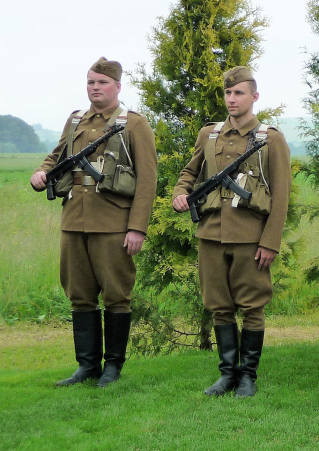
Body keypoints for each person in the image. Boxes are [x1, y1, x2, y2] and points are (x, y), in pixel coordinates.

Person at [31, 57, 157, 388]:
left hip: (114, 222)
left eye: (102, 82)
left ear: (117, 86)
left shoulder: (134, 124)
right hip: (74, 221)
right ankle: (86, 366)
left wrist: (137, 227)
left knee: (116, 295)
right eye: (90, 82)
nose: (95, 88)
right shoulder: (75, 121)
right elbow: (57, 155)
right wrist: (41, 172)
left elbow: (146, 181)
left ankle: (113, 367)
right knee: (80, 295)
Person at [172, 66, 291, 397]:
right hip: (210, 234)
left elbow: (281, 196)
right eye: (227, 93)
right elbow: (189, 171)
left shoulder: (270, 140)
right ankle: (227, 374)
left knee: (252, 305)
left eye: (238, 93)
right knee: (218, 304)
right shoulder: (209, 135)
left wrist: (270, 242)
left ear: (254, 97)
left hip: (250, 237)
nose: (232, 99)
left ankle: (248, 375)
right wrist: (180, 193)